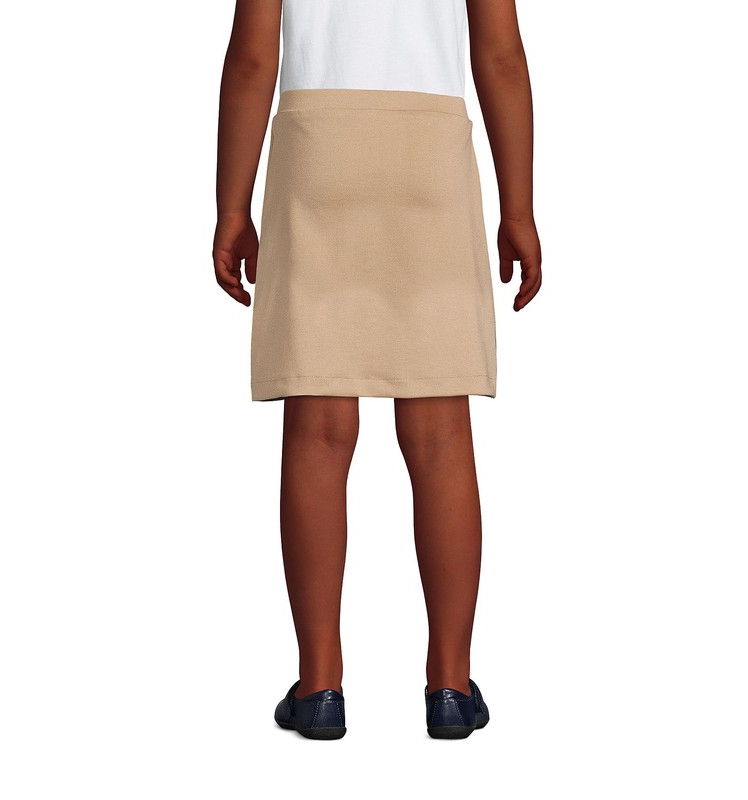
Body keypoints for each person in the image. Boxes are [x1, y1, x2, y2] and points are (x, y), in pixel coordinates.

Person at [212, 0, 541, 740]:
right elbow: (501, 57)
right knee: (441, 438)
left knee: (319, 432)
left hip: (316, 144)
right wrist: (518, 209)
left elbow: (252, 59)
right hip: (429, 146)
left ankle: (320, 686)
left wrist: (232, 207)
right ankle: (450, 685)